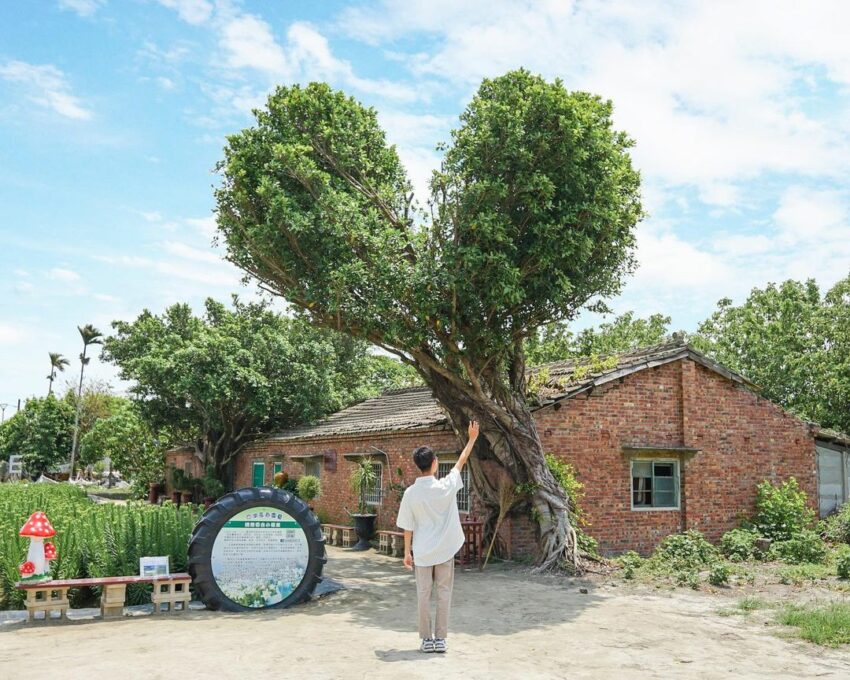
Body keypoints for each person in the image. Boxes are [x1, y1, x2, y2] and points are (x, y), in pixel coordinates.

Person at [396, 419, 480, 653]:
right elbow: (461, 461)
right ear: (434, 463)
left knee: (423, 596)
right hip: (444, 551)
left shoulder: (410, 494)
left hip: (422, 553)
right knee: (444, 594)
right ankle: (441, 639)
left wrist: (406, 552)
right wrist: (472, 438)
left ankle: (426, 640)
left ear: (417, 465)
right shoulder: (446, 486)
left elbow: (408, 526)